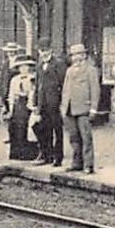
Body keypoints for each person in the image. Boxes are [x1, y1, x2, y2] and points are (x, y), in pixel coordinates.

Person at [60, 43, 102, 174]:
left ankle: (88, 164)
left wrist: (93, 108)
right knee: (73, 138)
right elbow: (65, 89)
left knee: (86, 137)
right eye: (73, 55)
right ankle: (77, 163)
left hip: (84, 108)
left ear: (84, 55)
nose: (76, 58)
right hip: (69, 109)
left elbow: (95, 90)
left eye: (79, 54)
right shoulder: (69, 70)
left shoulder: (90, 70)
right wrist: (63, 107)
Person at [33, 38, 66, 166]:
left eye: (46, 50)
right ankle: (47, 156)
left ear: (51, 50)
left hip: (55, 103)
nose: (44, 53)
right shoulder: (39, 66)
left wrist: (62, 103)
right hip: (43, 104)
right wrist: (36, 104)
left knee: (57, 130)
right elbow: (37, 86)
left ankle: (58, 158)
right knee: (44, 129)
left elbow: (63, 84)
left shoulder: (58, 64)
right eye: (42, 51)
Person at [6, 56, 40, 161]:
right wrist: (11, 109)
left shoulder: (32, 78)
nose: (23, 69)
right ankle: (16, 153)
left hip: (27, 104)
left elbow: (33, 92)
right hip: (17, 105)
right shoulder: (14, 80)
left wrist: (31, 106)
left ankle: (28, 154)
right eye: (21, 67)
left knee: (26, 128)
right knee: (15, 128)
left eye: (25, 67)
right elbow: (11, 94)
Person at [0, 42, 22, 142]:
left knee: (17, 115)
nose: (10, 53)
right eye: (9, 52)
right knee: (8, 116)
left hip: (16, 91)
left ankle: (18, 137)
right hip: (6, 92)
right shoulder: (5, 63)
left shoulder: (19, 62)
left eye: (12, 51)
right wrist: (2, 93)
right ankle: (10, 136)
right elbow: (2, 79)